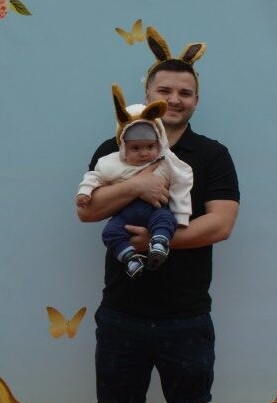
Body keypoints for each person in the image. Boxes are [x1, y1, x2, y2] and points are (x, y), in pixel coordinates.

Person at [76, 30, 239, 403]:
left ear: (197, 99)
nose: (174, 99)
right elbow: (87, 209)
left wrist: (157, 241)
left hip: (186, 312)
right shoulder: (112, 148)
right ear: (146, 95)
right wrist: (137, 187)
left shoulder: (211, 155)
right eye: (164, 90)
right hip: (121, 310)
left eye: (185, 92)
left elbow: (221, 224)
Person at [76, 85, 194, 278]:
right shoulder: (111, 162)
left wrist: (181, 215)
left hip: (155, 211)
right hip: (124, 218)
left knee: (166, 220)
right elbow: (94, 177)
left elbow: (182, 181)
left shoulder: (165, 161)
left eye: (150, 146)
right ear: (123, 147)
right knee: (109, 233)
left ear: (159, 142)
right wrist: (85, 192)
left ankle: (159, 244)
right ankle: (130, 258)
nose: (144, 153)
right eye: (136, 148)